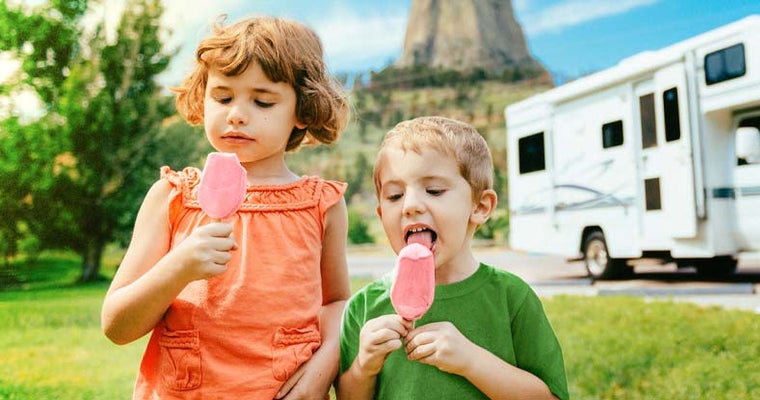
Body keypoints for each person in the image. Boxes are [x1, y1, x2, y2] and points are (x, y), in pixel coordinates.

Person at [101, 15, 351, 399]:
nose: (236, 113)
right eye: (222, 97)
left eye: (262, 100)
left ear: (303, 110)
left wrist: (323, 368)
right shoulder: (172, 197)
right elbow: (117, 325)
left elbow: (336, 302)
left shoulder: (322, 206)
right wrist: (179, 265)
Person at [335, 116, 569, 399]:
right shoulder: (363, 308)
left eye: (434, 190)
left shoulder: (511, 298)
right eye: (395, 196)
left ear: (480, 207)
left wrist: (472, 361)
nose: (410, 206)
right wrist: (364, 367)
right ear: (381, 214)